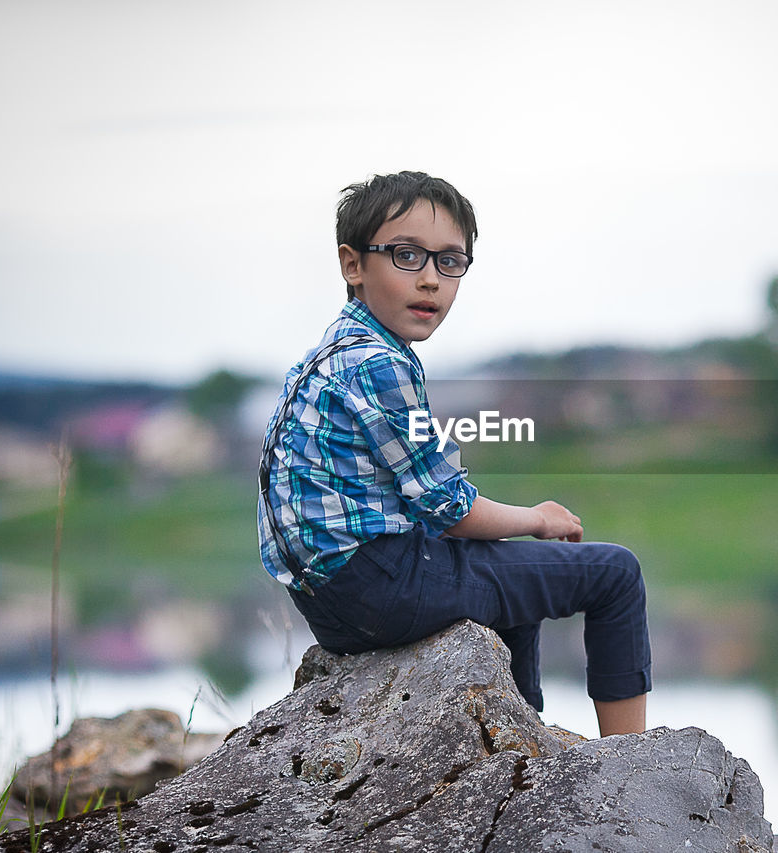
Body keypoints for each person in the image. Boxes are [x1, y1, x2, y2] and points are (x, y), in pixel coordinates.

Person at [257, 171, 650, 737]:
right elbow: (450, 507)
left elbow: (419, 499)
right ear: (353, 265)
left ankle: (518, 734)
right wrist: (537, 518)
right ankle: (633, 763)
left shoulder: (331, 353)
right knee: (615, 573)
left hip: (332, 601)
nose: (430, 281)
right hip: (382, 585)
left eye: (449, 261)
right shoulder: (377, 362)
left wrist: (510, 531)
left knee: (513, 571)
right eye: (407, 255)